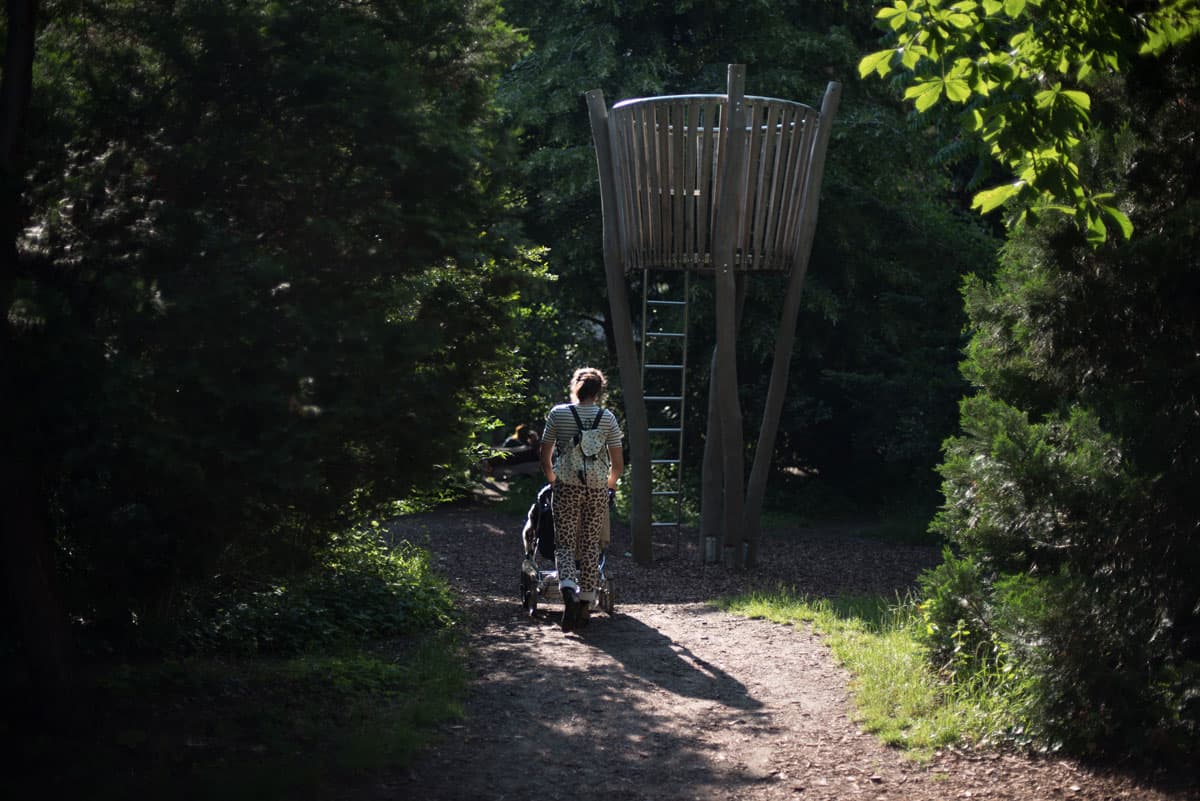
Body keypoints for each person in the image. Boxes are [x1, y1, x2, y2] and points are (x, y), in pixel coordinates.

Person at [539, 367, 623, 632]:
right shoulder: (608, 418)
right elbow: (618, 465)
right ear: (599, 391)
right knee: (589, 545)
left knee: (564, 543)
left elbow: (545, 456)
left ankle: (567, 591)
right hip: (597, 488)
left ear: (576, 387)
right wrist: (609, 486)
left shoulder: (558, 414)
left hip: (566, 485)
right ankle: (586, 603)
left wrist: (553, 479)